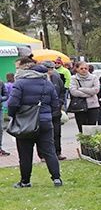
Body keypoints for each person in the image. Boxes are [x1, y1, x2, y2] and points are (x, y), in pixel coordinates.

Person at [7, 56, 62, 188]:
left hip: (26, 122)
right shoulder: (46, 83)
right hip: (45, 121)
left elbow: (13, 103)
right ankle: (56, 178)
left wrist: (14, 115)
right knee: (49, 151)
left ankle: (25, 181)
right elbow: (55, 104)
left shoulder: (20, 83)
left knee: (25, 153)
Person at [41, 60, 66, 160]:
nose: (50, 71)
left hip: (56, 110)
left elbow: (62, 92)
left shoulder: (56, 78)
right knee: (43, 134)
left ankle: (58, 152)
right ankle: (43, 155)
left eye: (52, 69)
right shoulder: (39, 80)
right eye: (48, 69)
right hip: (44, 111)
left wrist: (59, 103)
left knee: (57, 133)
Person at [69, 60, 101, 134]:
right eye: (81, 68)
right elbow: (73, 91)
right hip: (80, 106)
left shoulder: (94, 77)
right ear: (76, 69)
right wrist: (89, 93)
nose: (84, 70)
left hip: (93, 105)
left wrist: (81, 89)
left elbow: (96, 90)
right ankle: (83, 145)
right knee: (82, 129)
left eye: (85, 68)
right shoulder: (74, 78)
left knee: (91, 128)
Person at [0, 74, 9, 156]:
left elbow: (6, 95)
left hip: (0, 109)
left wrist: (1, 98)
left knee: (0, 129)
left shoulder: (1, 83)